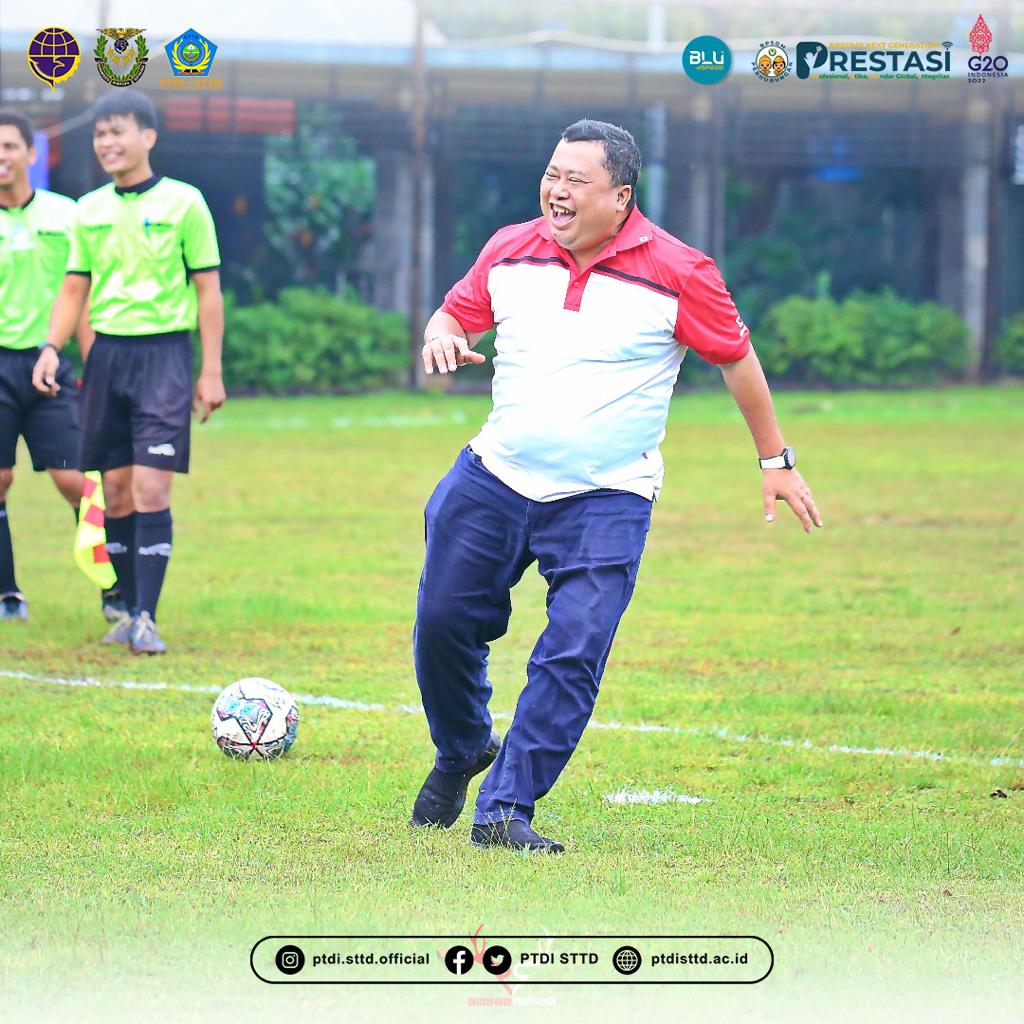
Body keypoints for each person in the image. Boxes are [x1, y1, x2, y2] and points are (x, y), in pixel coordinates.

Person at [410, 119, 822, 854]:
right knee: (442, 623)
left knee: (574, 649)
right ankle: (463, 748)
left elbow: (736, 358)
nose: (556, 191)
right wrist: (441, 331)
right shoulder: (510, 247)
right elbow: (456, 310)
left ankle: (505, 808)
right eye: (552, 174)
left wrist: (775, 461)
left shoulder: (681, 271)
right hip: (495, 476)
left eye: (575, 180)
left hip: (607, 495)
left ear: (621, 195)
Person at [33, 91, 225, 655]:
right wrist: (51, 347)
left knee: (149, 485)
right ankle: (122, 605)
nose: (108, 143)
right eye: (100, 135)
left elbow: (208, 290)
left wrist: (209, 369)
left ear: (149, 137)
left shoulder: (185, 204)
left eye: (119, 131)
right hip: (107, 358)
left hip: (164, 356)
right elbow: (74, 288)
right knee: (113, 490)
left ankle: (147, 616)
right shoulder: (87, 210)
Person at [0, 109, 126, 624]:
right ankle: (7, 592)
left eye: (9, 146)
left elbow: (82, 296)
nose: (1, 156)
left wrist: (98, 367)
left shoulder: (66, 216)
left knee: (76, 481)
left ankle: (113, 587)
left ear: (32, 154)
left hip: (48, 365)